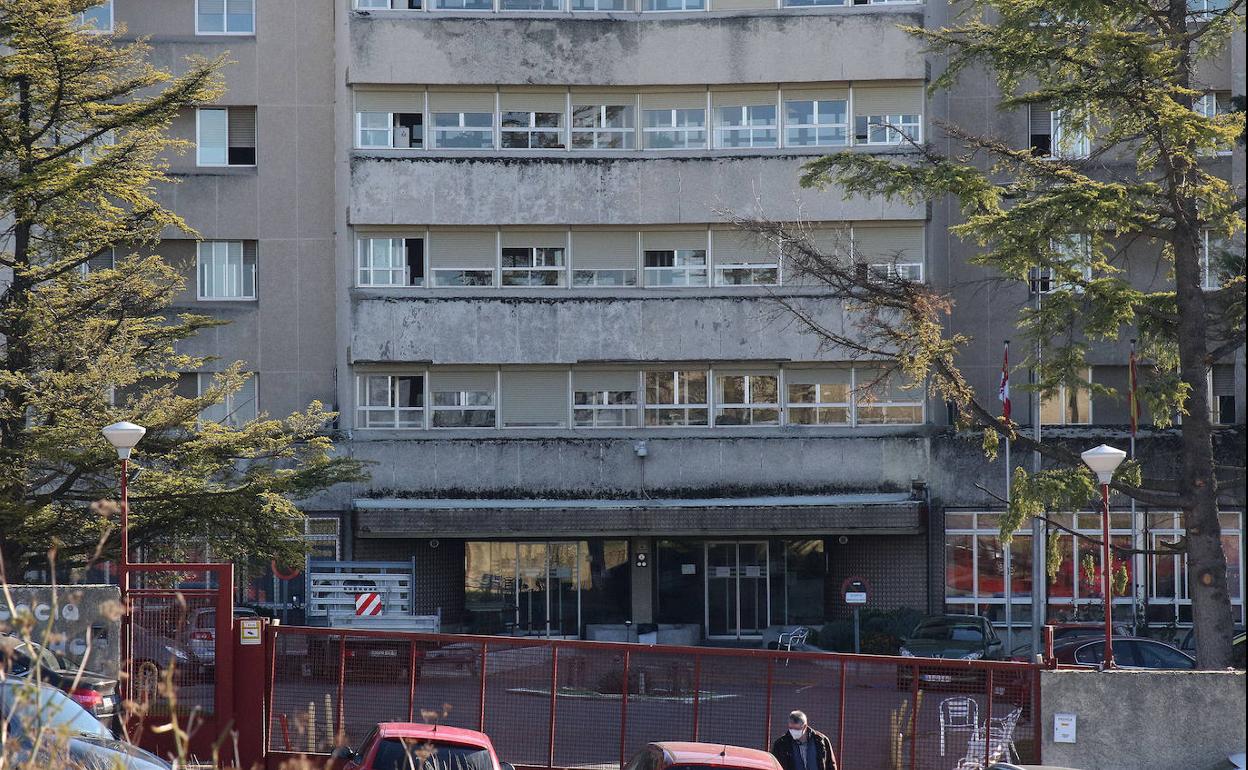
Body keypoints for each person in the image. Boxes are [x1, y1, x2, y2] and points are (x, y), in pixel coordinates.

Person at [771, 710, 838, 770]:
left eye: (796, 729)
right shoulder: (781, 744)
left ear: (805, 726)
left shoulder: (821, 740)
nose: (793, 731)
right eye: (791, 728)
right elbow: (774, 765)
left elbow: (831, 764)